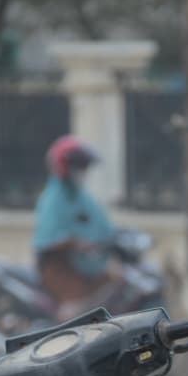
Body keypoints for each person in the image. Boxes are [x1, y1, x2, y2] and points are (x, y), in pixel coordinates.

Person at [33, 135, 121, 320]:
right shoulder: (53, 198)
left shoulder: (84, 197)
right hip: (59, 268)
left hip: (85, 267)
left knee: (115, 280)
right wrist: (76, 243)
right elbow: (48, 239)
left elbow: (104, 227)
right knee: (75, 310)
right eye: (79, 166)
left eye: (85, 167)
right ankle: (62, 333)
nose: (83, 172)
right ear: (65, 166)